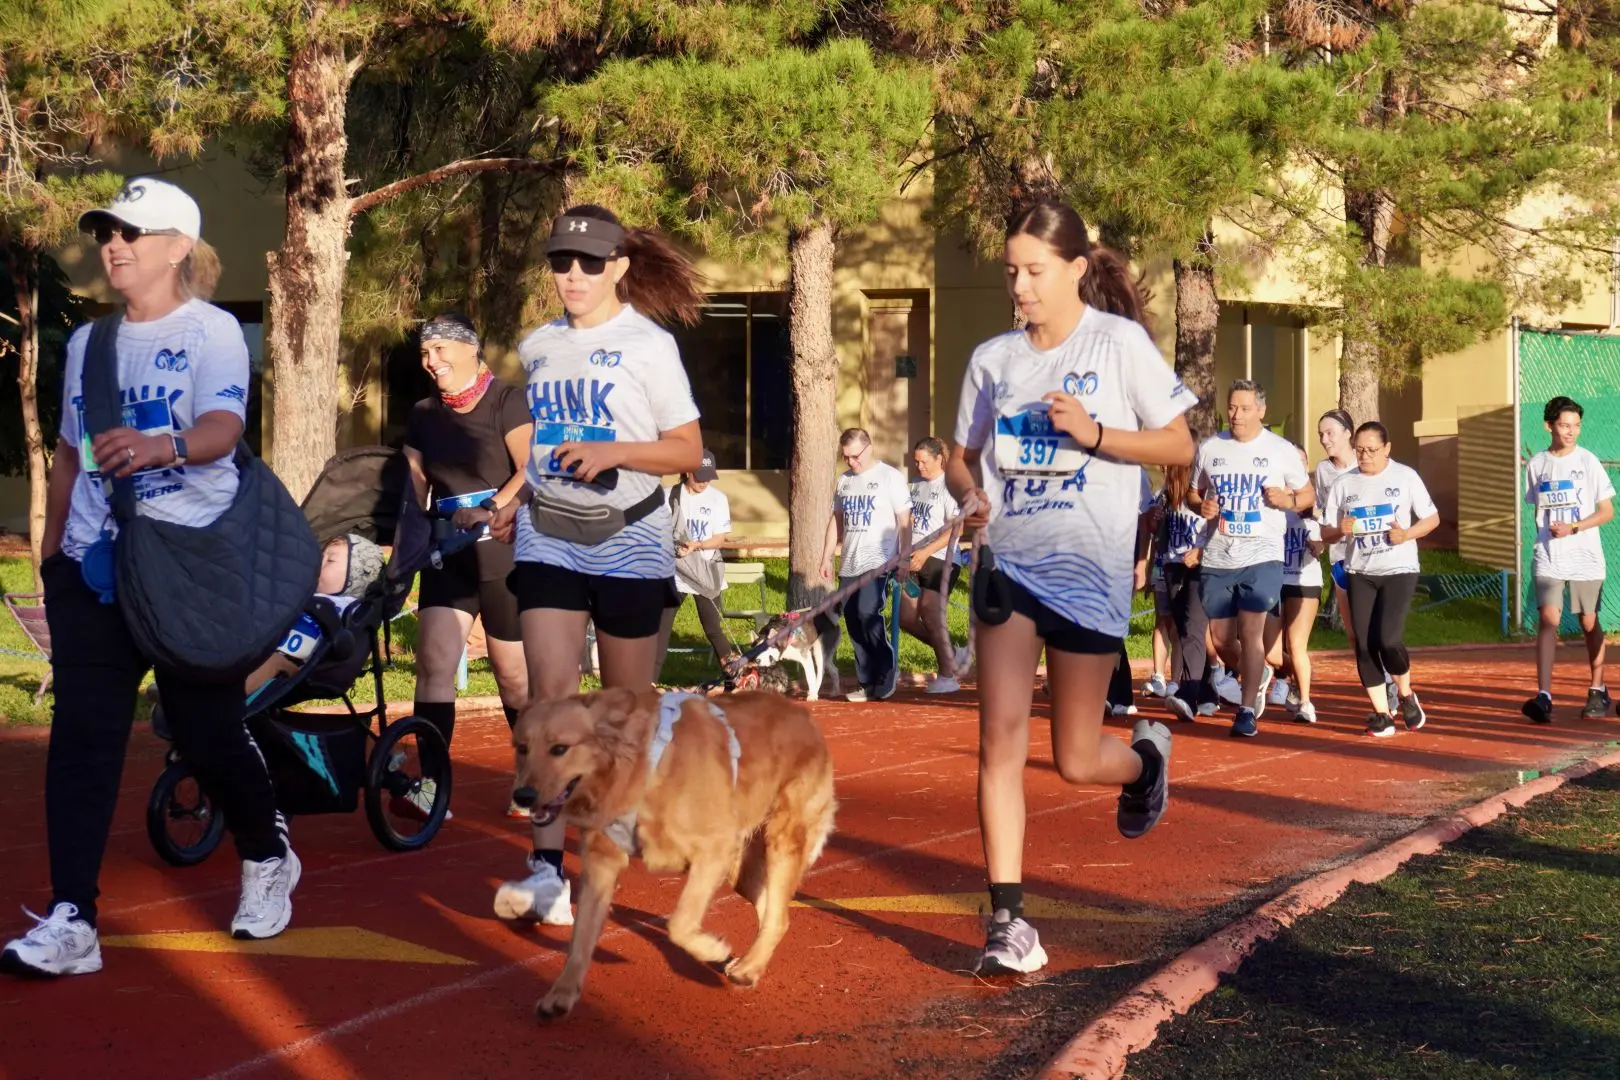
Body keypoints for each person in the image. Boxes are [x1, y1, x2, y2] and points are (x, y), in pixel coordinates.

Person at [2, 178, 297, 977]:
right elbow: (71, 453)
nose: (113, 245)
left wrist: (164, 444)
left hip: (191, 567)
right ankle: (73, 918)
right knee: (84, 739)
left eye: (131, 232)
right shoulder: (91, 345)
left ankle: (267, 853)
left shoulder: (214, 333)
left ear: (178, 247)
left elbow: (223, 427)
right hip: (98, 573)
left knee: (205, 733)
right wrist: (55, 551)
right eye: (106, 232)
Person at [948, 198, 1191, 976]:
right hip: (1010, 566)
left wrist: (1095, 434)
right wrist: (970, 493)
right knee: (999, 745)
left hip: (1088, 577)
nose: (1019, 286)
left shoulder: (1117, 345)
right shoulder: (993, 360)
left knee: (1077, 760)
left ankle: (1146, 763)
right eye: (1011, 272)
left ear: (1077, 270)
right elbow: (964, 453)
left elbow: (1180, 441)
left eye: (1034, 271)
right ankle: (1009, 921)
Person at [482, 204, 705, 925]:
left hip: (630, 537)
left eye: (586, 263)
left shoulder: (648, 345)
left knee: (621, 714)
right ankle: (547, 870)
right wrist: (518, 496)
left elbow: (686, 450)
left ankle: (622, 830)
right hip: (549, 533)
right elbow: (545, 438)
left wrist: (614, 452)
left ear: (618, 269)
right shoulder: (539, 346)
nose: (571, 276)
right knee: (550, 698)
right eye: (559, 263)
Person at [401, 311, 533, 817]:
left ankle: (531, 776)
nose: (431, 362)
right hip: (446, 554)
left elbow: (531, 469)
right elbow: (414, 484)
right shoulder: (423, 413)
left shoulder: (507, 399)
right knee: (433, 665)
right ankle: (431, 786)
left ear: (470, 348)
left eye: (439, 350)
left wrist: (495, 508)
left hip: (501, 551)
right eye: (424, 354)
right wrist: (405, 546)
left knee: (512, 677)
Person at [1191, 381, 1313, 738]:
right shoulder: (1211, 448)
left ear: (1261, 410)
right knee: (1221, 636)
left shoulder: (1281, 450)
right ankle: (1256, 673)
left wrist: (1286, 501)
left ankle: (1245, 711)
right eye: (1231, 407)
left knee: (1251, 630)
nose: (1236, 415)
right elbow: (1191, 493)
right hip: (1218, 554)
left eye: (1244, 408)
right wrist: (1202, 505)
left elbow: (1306, 494)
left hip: (1263, 554)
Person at [1321, 422, 1441, 737]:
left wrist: (1406, 534)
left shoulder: (1405, 477)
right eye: (1359, 450)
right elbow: (1326, 531)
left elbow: (1432, 518)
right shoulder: (1344, 484)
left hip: (1398, 569)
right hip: (1360, 571)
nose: (1365, 456)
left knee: (1387, 639)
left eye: (1372, 450)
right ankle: (1382, 713)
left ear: (1387, 448)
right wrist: (1339, 531)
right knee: (1363, 642)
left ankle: (1405, 693)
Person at [1521, 396, 1616, 724]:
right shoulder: (1536, 465)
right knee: (1548, 618)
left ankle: (1598, 688)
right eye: (1564, 425)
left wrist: (1574, 526)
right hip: (1548, 556)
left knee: (1588, 622)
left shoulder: (1589, 462)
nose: (1571, 431)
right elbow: (1539, 509)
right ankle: (1544, 695)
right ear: (1549, 426)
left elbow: (1607, 511)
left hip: (1585, 557)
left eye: (1576, 425)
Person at [818, 428, 912, 702]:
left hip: (880, 561)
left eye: (855, 456)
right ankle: (867, 681)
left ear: (868, 448)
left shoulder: (890, 478)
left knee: (868, 613)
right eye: (845, 457)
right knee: (854, 621)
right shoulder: (844, 482)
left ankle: (885, 675)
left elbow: (905, 522)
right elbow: (836, 521)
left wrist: (904, 557)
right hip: (850, 562)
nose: (851, 462)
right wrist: (827, 556)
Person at [242, 534, 385, 700]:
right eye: (321, 558)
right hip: (264, 649)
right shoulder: (310, 595)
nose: (319, 565)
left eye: (330, 561)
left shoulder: (350, 607)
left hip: (295, 667)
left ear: (358, 573)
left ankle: (229, 700)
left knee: (269, 663)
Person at [652, 447, 740, 679]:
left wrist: (697, 545)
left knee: (713, 628)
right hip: (675, 572)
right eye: (700, 476)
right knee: (661, 629)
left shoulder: (718, 499)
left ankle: (735, 676)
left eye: (709, 476)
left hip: (705, 571)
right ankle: (648, 683)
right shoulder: (668, 495)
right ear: (687, 472)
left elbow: (720, 537)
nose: (705, 482)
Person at [1159, 430, 1220, 722]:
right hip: (1173, 565)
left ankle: (1188, 694)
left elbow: (1218, 529)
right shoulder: (1167, 493)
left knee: (1195, 629)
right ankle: (1208, 692)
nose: (1163, 465)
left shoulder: (1203, 489)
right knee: (1183, 630)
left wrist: (1201, 553)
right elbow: (1162, 533)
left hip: (1199, 567)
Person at [900, 436, 963, 695]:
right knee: (906, 618)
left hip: (941, 558)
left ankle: (947, 675)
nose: (919, 467)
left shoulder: (950, 487)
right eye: (915, 462)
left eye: (924, 461)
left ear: (939, 458)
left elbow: (957, 529)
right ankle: (952, 653)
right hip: (911, 559)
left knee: (930, 611)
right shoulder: (913, 486)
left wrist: (925, 552)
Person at [1277, 445, 1324, 724]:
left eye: (1300, 461)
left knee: (1296, 644)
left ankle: (1306, 702)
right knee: (1270, 650)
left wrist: (1318, 544)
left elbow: (1324, 538)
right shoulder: (1273, 503)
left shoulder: (1314, 507)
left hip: (1305, 580)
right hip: (1275, 579)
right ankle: (1296, 672)